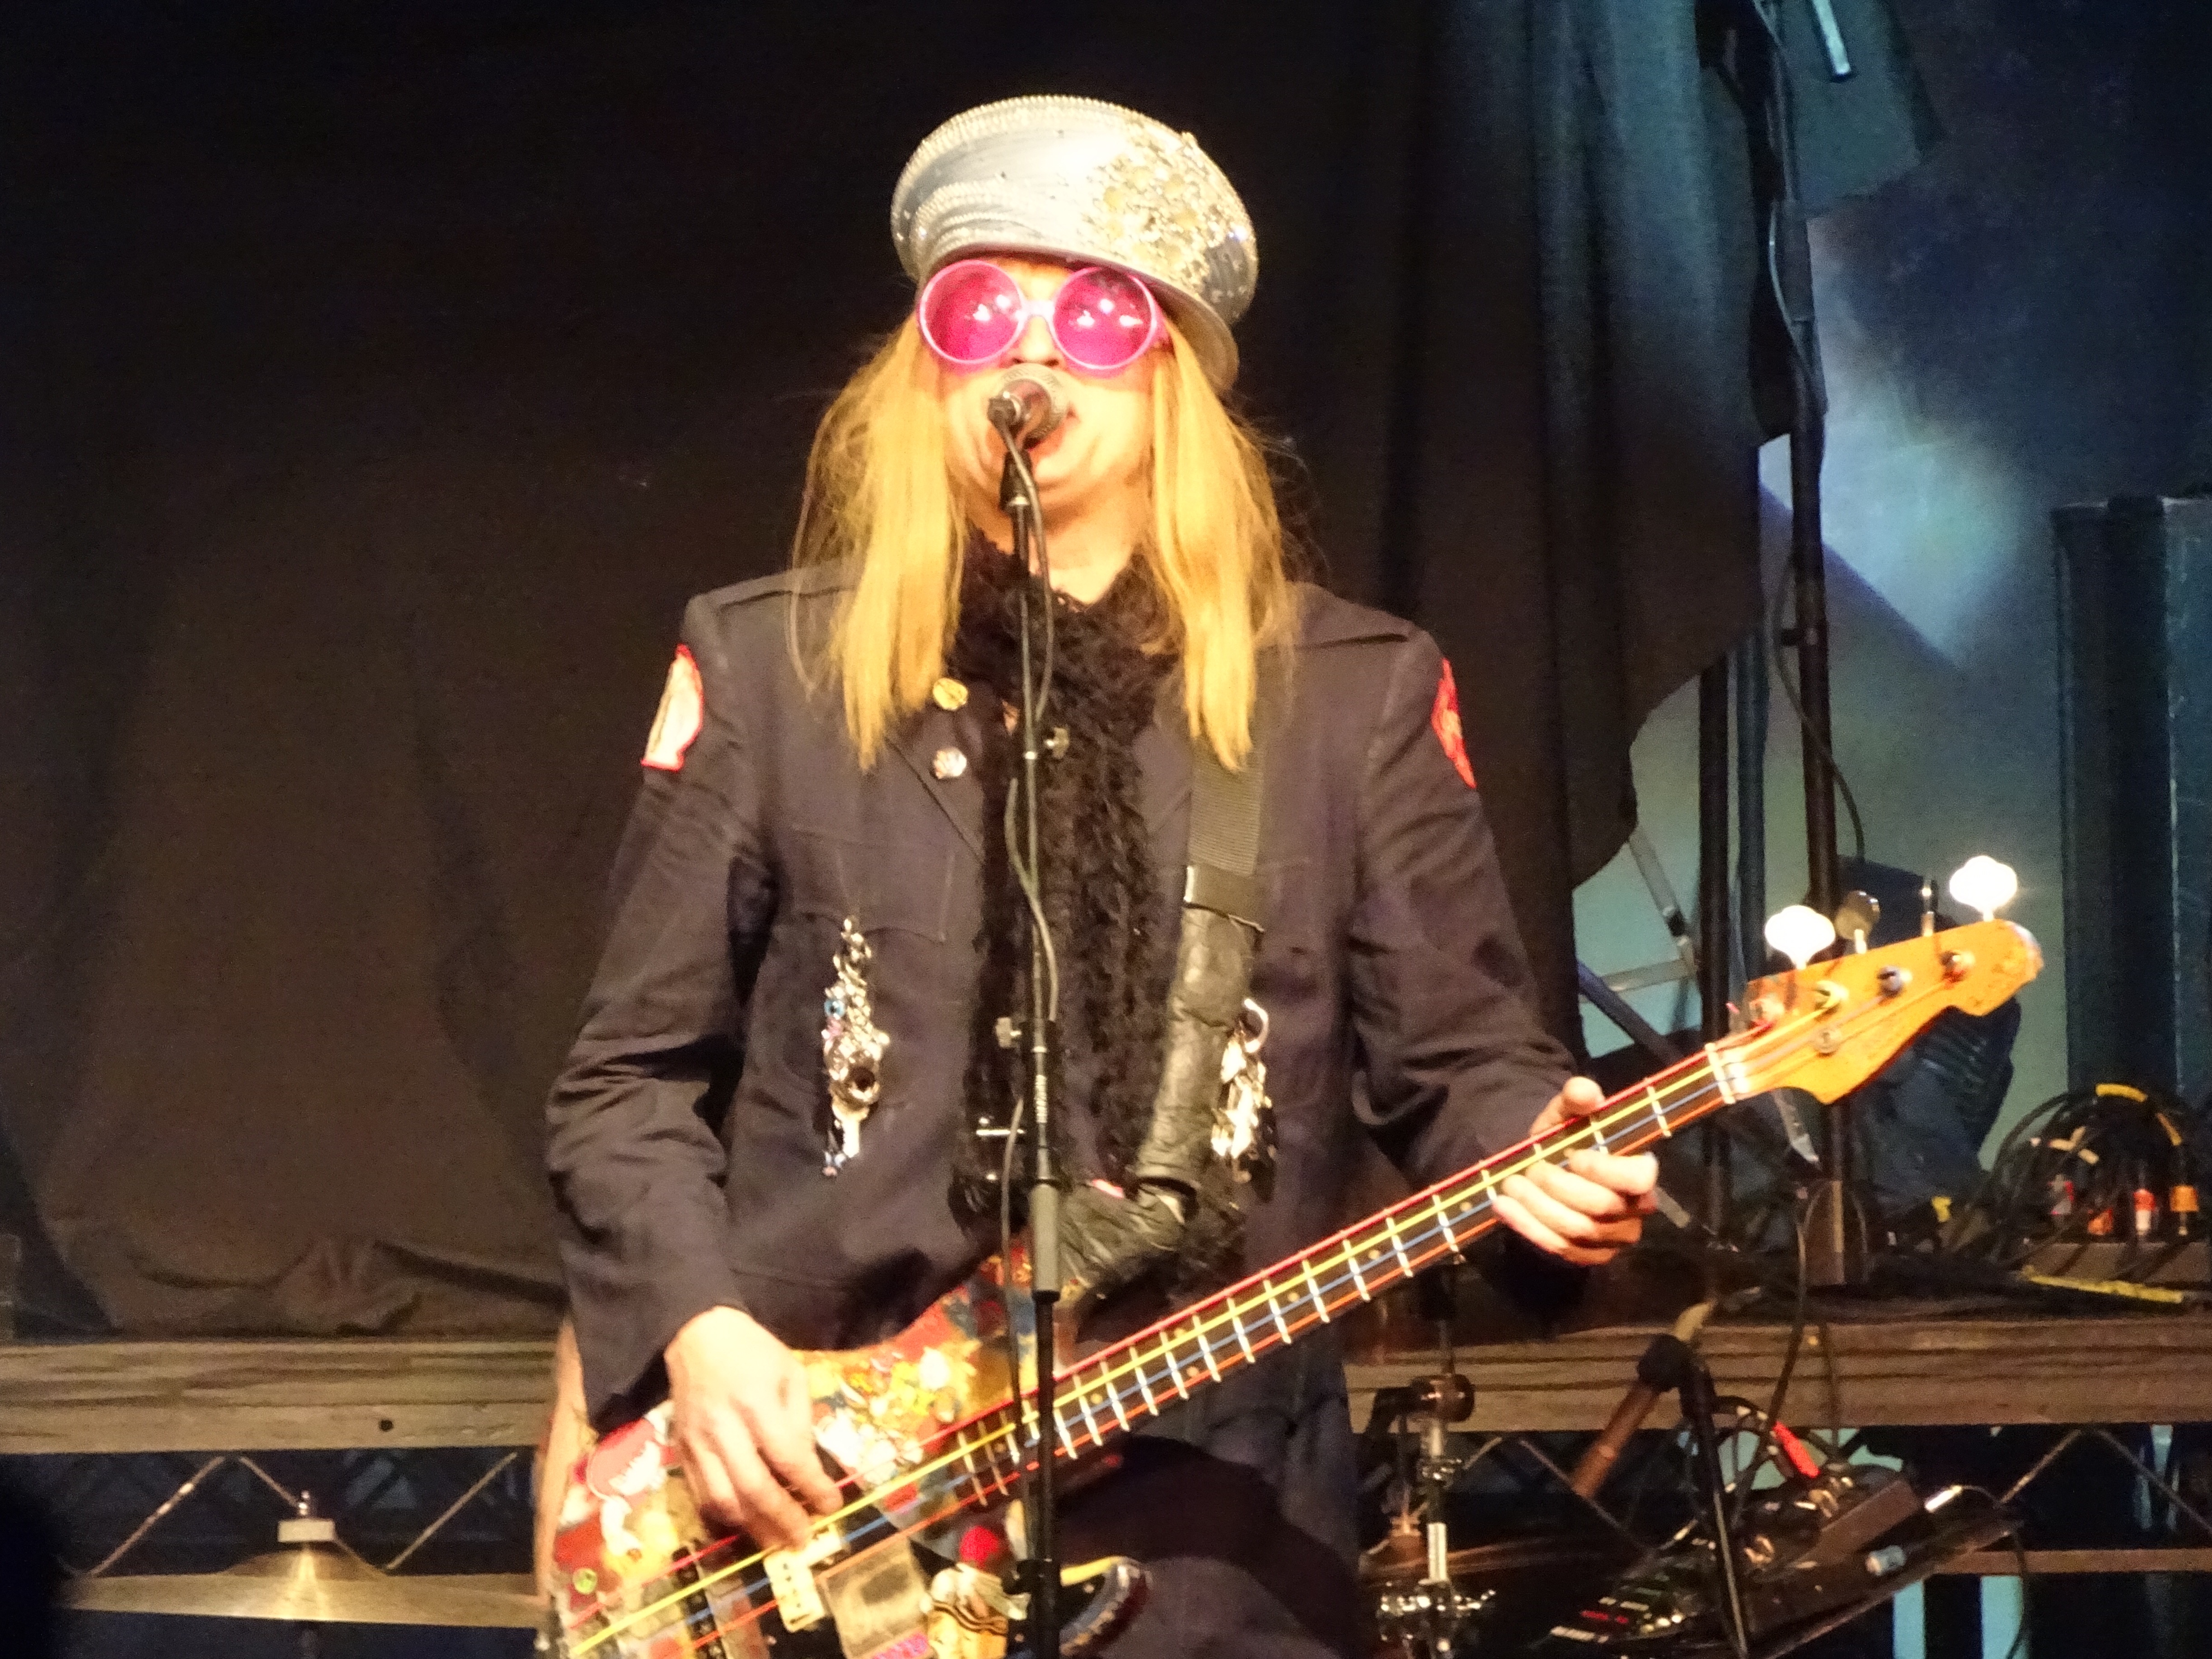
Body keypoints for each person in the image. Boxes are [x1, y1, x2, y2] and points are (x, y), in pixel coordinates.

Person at [544, 94, 1656, 1658]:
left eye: (1097, 318)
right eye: (980, 314)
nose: (1033, 356)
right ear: (925, 371)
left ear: (1176, 375)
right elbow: (627, 1081)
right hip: (821, 1492)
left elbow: (1463, 1064)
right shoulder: (769, 670)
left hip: (1216, 1511)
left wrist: (1541, 1156)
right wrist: (702, 1334)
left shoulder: (1348, 696)